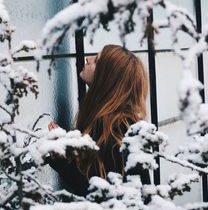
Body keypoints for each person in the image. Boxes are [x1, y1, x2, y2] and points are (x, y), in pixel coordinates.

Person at [47, 44, 150, 196]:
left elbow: (95, 189)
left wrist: (60, 153)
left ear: (107, 78)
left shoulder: (117, 129)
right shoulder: (111, 120)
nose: (88, 59)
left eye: (96, 60)